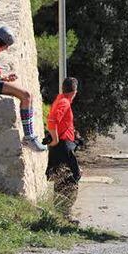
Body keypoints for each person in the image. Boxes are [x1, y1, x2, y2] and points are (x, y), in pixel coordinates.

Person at [46, 77, 81, 220]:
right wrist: (54, 139)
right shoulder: (64, 102)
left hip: (62, 145)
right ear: (75, 91)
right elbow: (52, 120)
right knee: (71, 178)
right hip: (63, 146)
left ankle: (62, 215)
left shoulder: (59, 99)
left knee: (62, 180)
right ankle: (65, 214)